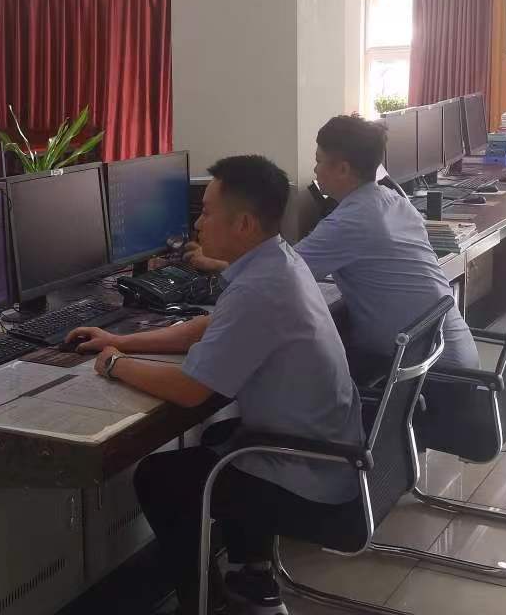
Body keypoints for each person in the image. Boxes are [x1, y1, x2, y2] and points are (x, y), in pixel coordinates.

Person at [69, 155, 364, 615]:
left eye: (206, 212)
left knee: (160, 478)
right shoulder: (278, 262)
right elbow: (206, 327)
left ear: (244, 223)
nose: (197, 223)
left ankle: (205, 604)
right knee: (222, 436)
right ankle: (252, 576)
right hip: (327, 453)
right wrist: (120, 340)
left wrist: (115, 365)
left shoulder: (258, 289)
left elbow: (191, 390)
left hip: (309, 474)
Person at [181, 115, 477, 379]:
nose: (315, 169)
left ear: (343, 169)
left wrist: (213, 262)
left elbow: (280, 274)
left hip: (433, 376)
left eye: (319, 160)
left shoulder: (353, 220)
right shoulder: (393, 202)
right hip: (449, 353)